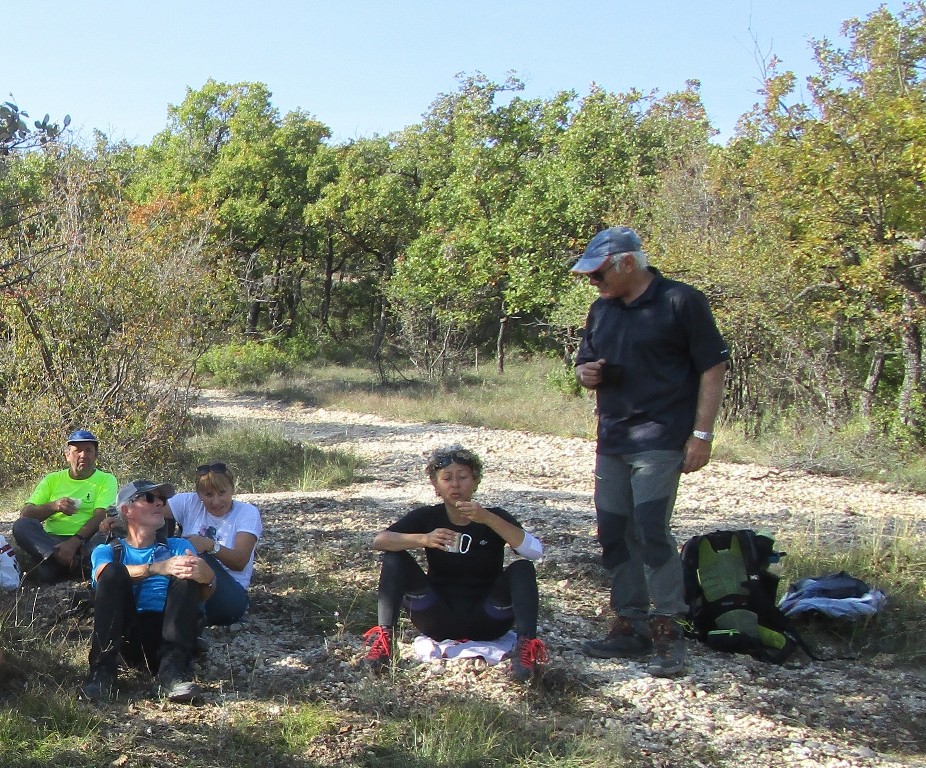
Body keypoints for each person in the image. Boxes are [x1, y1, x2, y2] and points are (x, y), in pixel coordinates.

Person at [571, 226, 729, 677]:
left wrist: (701, 435)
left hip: (661, 438)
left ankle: (668, 627)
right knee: (613, 531)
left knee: (651, 528)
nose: (593, 282)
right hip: (613, 438)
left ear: (625, 263)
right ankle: (629, 624)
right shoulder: (601, 310)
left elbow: (712, 368)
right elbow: (585, 361)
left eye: (597, 272)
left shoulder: (681, 301)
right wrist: (588, 373)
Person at [364, 445, 547, 682]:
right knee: (394, 557)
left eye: (462, 477)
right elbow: (380, 540)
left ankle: (526, 651)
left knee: (522, 568)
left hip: (488, 616)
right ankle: (384, 641)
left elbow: (534, 551)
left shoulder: (493, 515)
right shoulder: (428, 516)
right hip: (437, 616)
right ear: (436, 485)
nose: (455, 485)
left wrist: (489, 520)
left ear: (475, 481)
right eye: (447, 478)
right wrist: (423, 539)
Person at [82, 479, 216, 703]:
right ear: (127, 510)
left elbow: (204, 593)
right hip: (127, 636)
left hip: (168, 630)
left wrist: (207, 578)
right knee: (114, 572)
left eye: (162, 499)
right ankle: (101, 673)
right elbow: (102, 576)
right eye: (150, 498)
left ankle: (172, 674)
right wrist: (156, 568)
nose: (159, 504)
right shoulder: (107, 550)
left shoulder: (178, 546)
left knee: (185, 572)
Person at [12, 429, 118, 583]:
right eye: (78, 451)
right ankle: (68, 560)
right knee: (21, 526)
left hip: (87, 539)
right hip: (52, 542)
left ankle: (71, 562)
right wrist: (54, 506)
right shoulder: (52, 480)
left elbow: (100, 515)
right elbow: (26, 514)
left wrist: (75, 541)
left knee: (111, 532)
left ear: (96, 455)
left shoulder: (106, 480)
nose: (83, 455)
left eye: (88, 450)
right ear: (67, 455)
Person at [164, 462, 261, 626]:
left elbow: (240, 562)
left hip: (230, 596)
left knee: (191, 555)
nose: (216, 501)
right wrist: (121, 519)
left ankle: (190, 620)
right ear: (198, 494)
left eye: (222, 493)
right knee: (159, 527)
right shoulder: (189, 502)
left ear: (232, 489)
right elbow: (151, 511)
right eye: (208, 495)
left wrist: (209, 545)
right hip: (193, 587)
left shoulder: (247, 512)